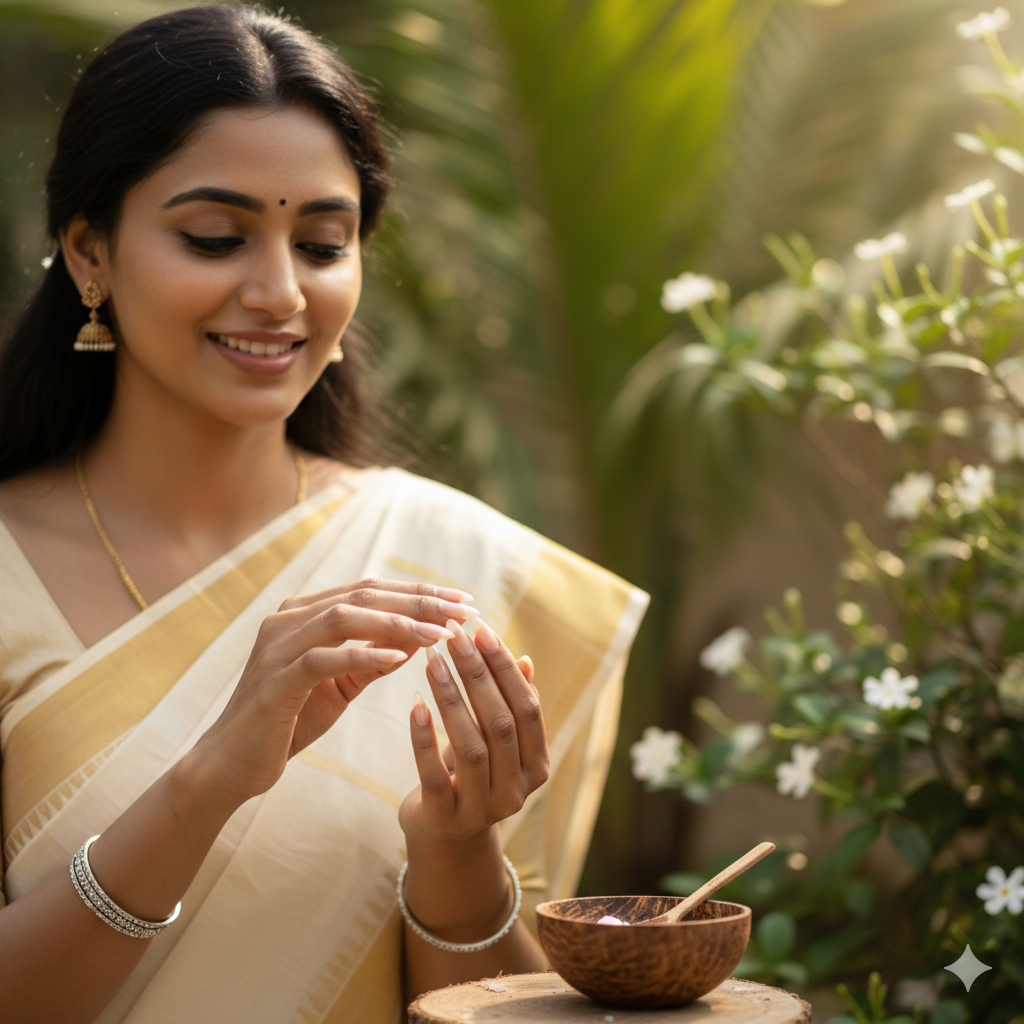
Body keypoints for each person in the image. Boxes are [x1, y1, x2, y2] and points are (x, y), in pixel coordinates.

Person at [0, 6, 648, 1023]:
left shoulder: (465, 571)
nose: (278, 292)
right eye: (215, 237)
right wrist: (207, 778)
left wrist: (456, 850)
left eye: (321, 243)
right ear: (89, 252)